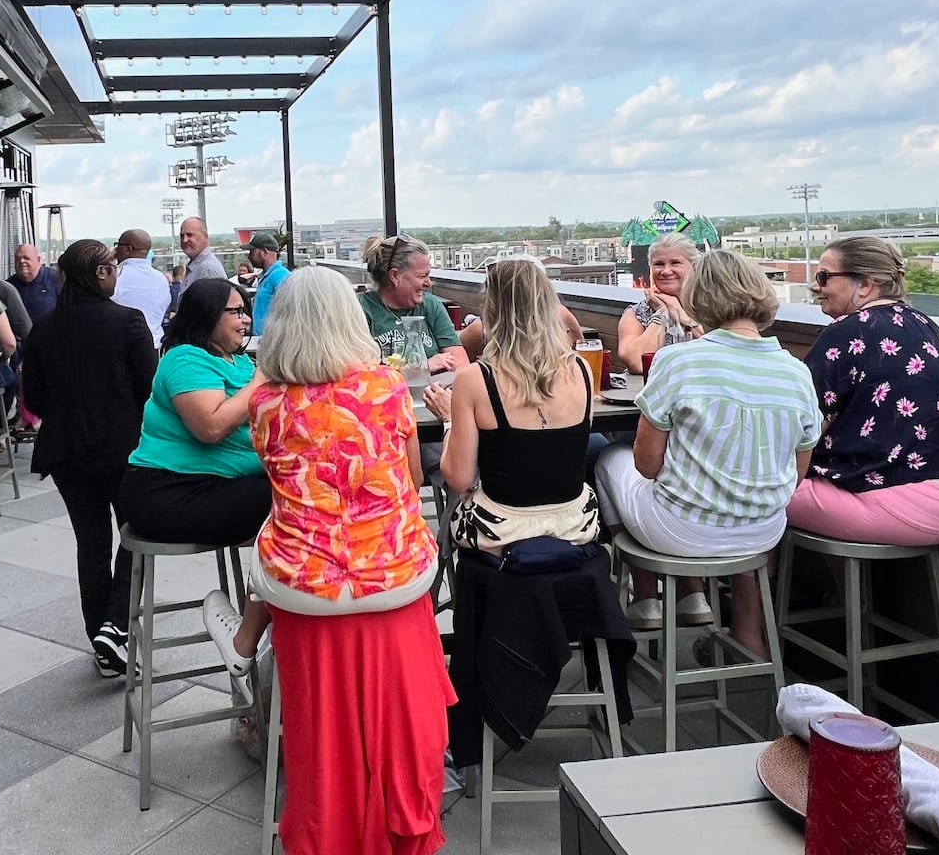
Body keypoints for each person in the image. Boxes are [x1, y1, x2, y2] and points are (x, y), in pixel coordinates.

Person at [207, 267, 453, 855]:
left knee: (281, 534)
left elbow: (280, 478)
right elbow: (413, 478)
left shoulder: (264, 402)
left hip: (303, 588)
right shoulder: (387, 386)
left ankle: (245, 650)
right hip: (394, 577)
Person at [594, 249, 820, 657]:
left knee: (609, 456)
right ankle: (737, 628)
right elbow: (798, 470)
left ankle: (645, 596)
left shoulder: (678, 360)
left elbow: (646, 466)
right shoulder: (796, 369)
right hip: (764, 532)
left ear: (698, 296)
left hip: (680, 532)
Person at [119, 281, 268, 685]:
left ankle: (274, 623)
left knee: (302, 498)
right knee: (293, 507)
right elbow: (212, 426)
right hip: (168, 493)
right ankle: (254, 638)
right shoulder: (186, 359)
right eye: (234, 311)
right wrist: (261, 384)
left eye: (245, 310)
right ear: (206, 317)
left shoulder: (238, 363)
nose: (244, 319)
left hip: (211, 488)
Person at [791, 237, 939, 546]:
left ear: (865, 284)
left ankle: (759, 592)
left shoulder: (846, 331)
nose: (816, 286)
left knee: (760, 492)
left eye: (824, 276)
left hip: (899, 507)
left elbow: (801, 429)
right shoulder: (927, 325)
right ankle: (847, 596)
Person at [22, 240, 156, 677]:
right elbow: (150, 391)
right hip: (123, 450)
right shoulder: (127, 322)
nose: (116, 274)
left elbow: (36, 400)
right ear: (99, 274)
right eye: (113, 268)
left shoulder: (43, 329)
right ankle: (115, 628)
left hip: (67, 454)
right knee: (137, 535)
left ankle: (101, 637)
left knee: (91, 546)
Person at [430, 258, 602, 557]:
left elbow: (459, 479)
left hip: (502, 529)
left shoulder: (475, 378)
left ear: (491, 310)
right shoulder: (582, 369)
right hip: (574, 524)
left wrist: (448, 421)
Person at [358, 235, 465, 372]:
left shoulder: (430, 305)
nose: (428, 283)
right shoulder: (361, 310)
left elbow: (461, 364)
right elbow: (360, 373)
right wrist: (421, 367)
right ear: (395, 276)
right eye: (422, 276)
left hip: (435, 390)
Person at [617, 234, 706, 375]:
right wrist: (662, 313)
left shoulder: (711, 307)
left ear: (693, 266)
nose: (666, 271)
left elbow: (723, 353)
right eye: (659, 264)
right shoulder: (636, 313)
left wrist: (684, 318)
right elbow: (637, 363)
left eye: (675, 263)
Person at [111, 229, 170, 347]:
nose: (116, 250)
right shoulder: (161, 279)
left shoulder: (115, 277)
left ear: (128, 249)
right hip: (155, 344)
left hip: (122, 345)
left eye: (118, 245)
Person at [247, 234, 289, 335]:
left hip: (272, 341)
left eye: (252, 252)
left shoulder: (280, 275)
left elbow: (289, 310)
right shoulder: (268, 275)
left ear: (264, 252)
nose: (249, 256)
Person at [7, 243, 59, 324]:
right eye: (18, 259)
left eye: (26, 258)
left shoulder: (56, 279)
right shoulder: (9, 286)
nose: (21, 261)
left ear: (38, 260)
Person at [177, 216, 226, 295]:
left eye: (190, 235)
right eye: (182, 236)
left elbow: (214, 306)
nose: (184, 240)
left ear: (205, 237)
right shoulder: (197, 266)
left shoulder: (208, 269)